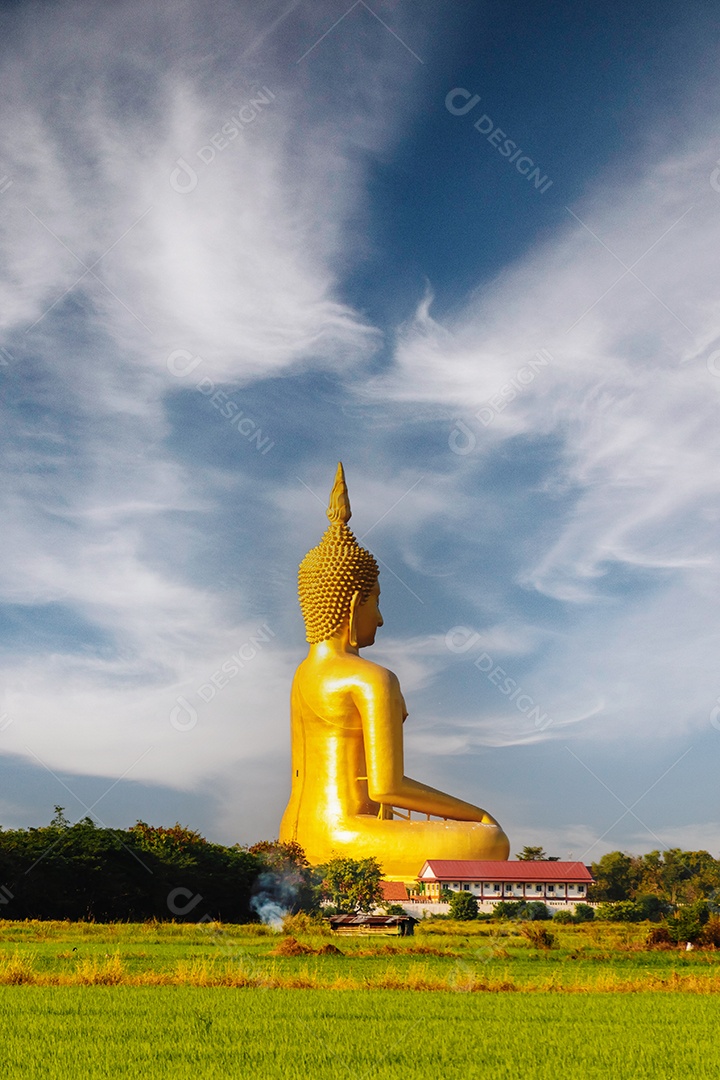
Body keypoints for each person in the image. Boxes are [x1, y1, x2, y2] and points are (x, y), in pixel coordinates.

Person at [279, 463, 509, 879]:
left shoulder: (301, 676)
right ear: (351, 605)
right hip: (349, 837)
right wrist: (478, 813)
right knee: (493, 840)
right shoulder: (370, 678)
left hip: (294, 837)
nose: (381, 619)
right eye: (376, 602)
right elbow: (387, 787)